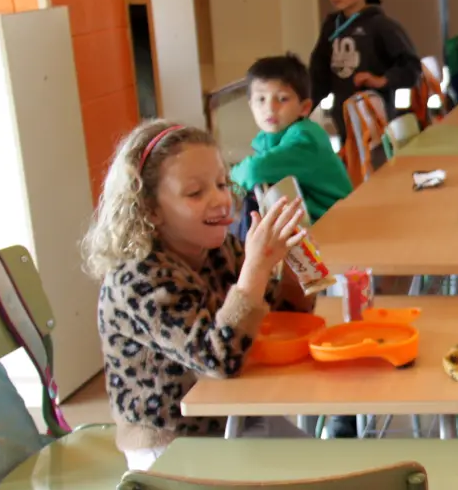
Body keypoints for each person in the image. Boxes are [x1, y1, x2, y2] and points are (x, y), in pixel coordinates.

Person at [82, 120, 314, 470]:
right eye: (195, 193)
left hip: (233, 419)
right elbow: (219, 358)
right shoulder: (139, 278)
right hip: (171, 446)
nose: (220, 200)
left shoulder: (219, 251)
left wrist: (294, 261)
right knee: (319, 485)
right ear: (150, 210)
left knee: (335, 471)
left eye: (222, 184)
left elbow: (282, 318)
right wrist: (256, 268)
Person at [229, 54, 353, 242]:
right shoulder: (267, 139)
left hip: (338, 226)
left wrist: (230, 181)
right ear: (250, 105)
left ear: (305, 107)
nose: (270, 108)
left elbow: (253, 170)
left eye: (282, 99)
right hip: (313, 227)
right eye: (261, 99)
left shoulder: (306, 138)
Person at [309, 0, 422, 139]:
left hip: (376, 119)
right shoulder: (331, 26)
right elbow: (319, 74)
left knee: (376, 157)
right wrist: (304, 107)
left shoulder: (381, 25)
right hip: (342, 117)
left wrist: (382, 80)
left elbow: (412, 67)